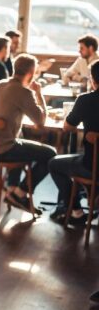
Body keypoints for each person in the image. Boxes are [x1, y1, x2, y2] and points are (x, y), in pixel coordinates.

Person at [0, 54, 56, 211]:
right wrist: (38, 93)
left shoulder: (0, 84)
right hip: (3, 149)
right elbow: (41, 121)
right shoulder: (24, 92)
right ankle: (20, 193)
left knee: (19, 138)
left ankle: (12, 188)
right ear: (30, 74)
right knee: (51, 154)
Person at [48, 60, 99, 225]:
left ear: (93, 80)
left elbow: (68, 127)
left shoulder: (85, 100)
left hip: (92, 165)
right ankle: (92, 196)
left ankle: (75, 211)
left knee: (54, 164)